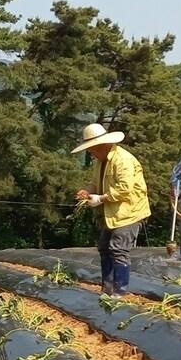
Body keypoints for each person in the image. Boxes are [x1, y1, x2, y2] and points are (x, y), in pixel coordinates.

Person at [73, 122, 150, 295]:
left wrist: (101, 198)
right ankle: (107, 287)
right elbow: (95, 183)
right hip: (111, 213)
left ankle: (119, 291)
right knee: (104, 248)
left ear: (101, 145)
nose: (90, 152)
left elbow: (125, 189)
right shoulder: (100, 162)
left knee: (118, 249)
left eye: (92, 149)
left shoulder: (123, 161)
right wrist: (87, 191)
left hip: (128, 212)